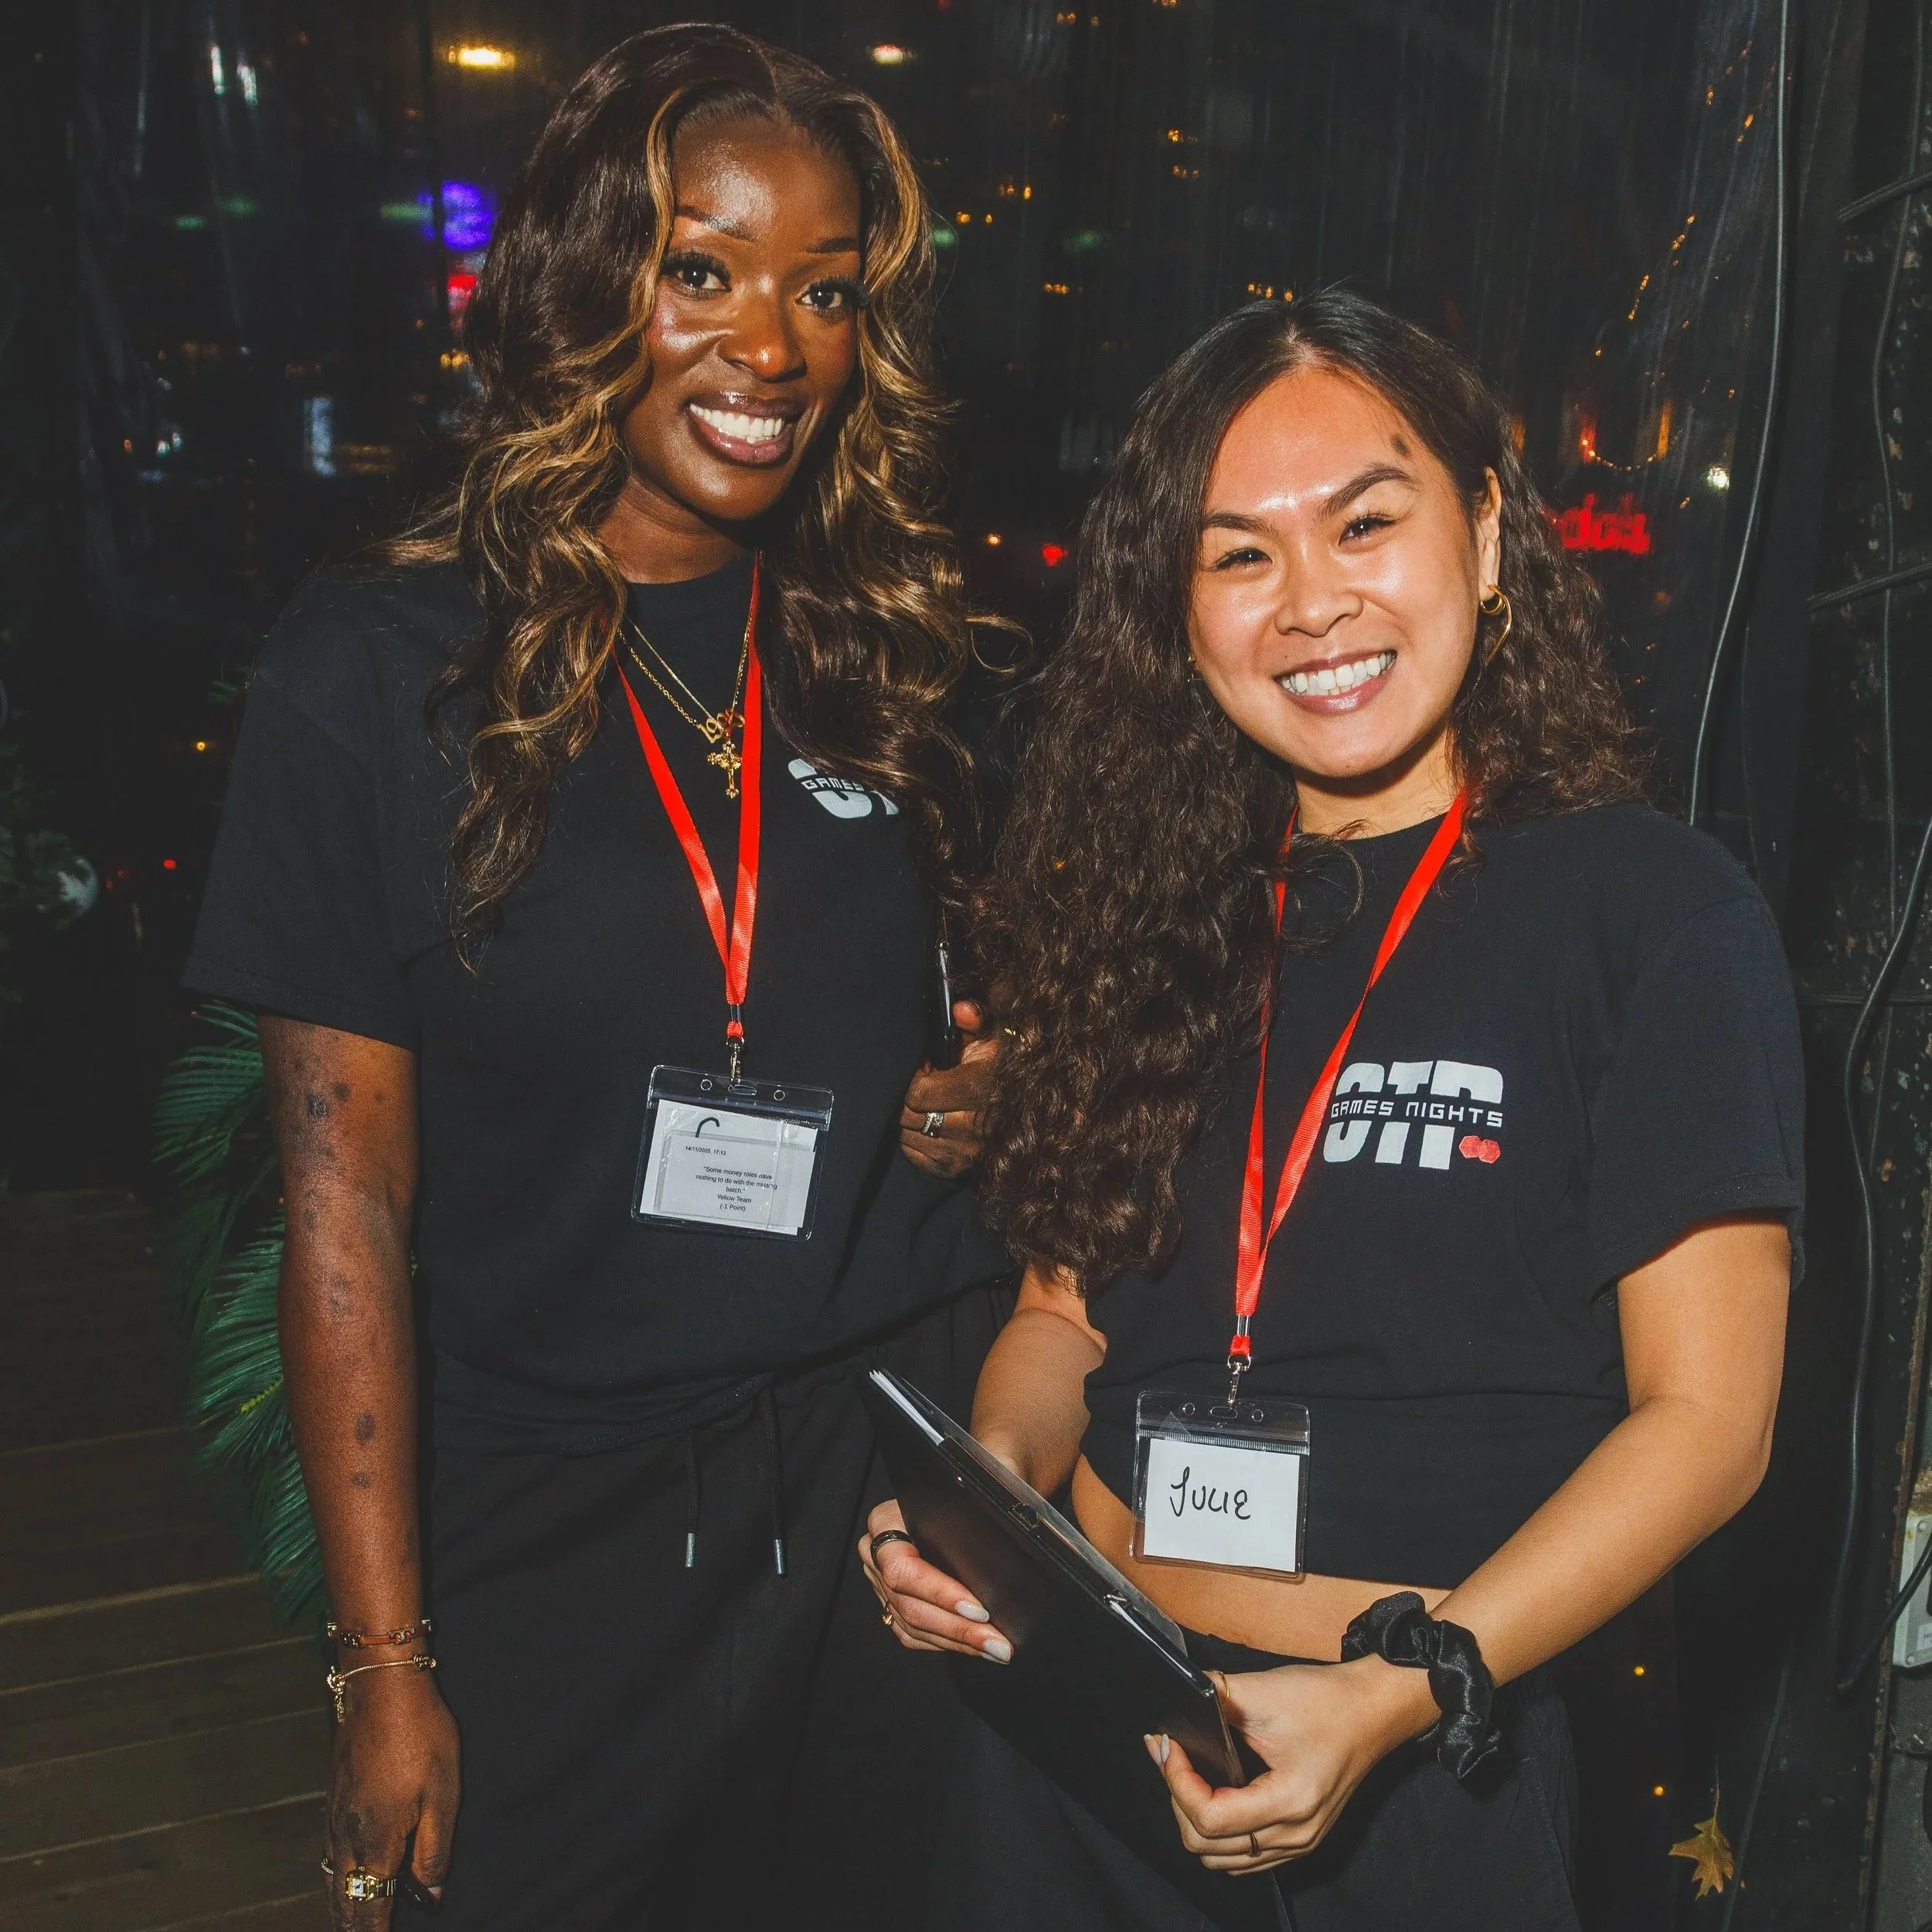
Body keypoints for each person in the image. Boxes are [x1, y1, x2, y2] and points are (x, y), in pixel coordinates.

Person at [183, 26, 1015, 1930]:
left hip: (888, 1483)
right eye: (700, 271)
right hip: (556, 1505)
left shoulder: (889, 656)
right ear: (580, 284)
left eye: (825, 290)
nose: (771, 346)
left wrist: (989, 1083)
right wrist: (383, 1658)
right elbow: (343, 1195)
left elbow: (989, 1019)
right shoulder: (376, 676)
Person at [863, 290, 1802, 1932]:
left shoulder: (1650, 907)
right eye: (1237, 555)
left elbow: (1707, 1424)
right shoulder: (1151, 920)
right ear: (1177, 611)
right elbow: (1059, 1313)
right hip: (1078, 1730)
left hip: (1421, 1750)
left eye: (1364, 522)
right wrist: (985, 1501)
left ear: (1487, 536)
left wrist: (1405, 1687)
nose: (1311, 604)